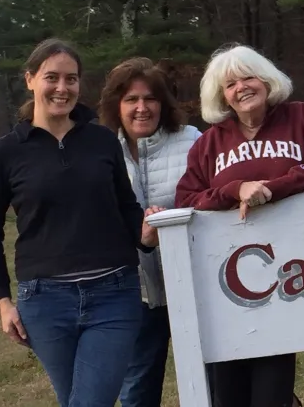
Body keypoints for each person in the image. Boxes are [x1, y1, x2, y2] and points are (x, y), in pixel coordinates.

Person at [174, 43, 304, 407]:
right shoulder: (210, 143)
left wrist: (276, 188)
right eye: (230, 84)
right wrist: (232, 189)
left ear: (266, 79)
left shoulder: (299, 118)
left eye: (248, 77)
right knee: (229, 392)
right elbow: (187, 199)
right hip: (228, 280)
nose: (241, 87)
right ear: (221, 95)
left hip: (293, 273)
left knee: (271, 384)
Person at [0, 38, 159, 406]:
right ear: (30, 79)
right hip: (45, 303)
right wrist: (2, 300)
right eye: (52, 77)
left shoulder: (103, 141)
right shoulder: (4, 154)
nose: (63, 88)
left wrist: (145, 234)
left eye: (72, 79)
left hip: (114, 295)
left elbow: (127, 206)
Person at [97, 57, 202, 407]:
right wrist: (139, 239)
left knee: (217, 384)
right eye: (131, 100)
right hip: (136, 295)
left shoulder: (192, 142)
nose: (142, 108)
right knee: (138, 391)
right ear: (116, 105)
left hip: (196, 289)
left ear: (163, 102)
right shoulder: (99, 152)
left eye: (150, 99)